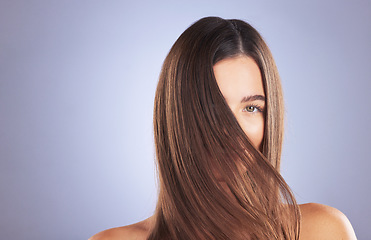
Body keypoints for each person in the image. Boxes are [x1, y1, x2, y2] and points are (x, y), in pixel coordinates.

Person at [90, 16, 357, 240]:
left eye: (251, 108)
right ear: (175, 118)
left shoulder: (322, 230)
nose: (232, 133)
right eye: (213, 108)